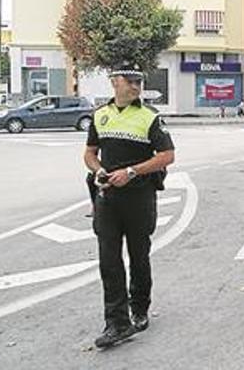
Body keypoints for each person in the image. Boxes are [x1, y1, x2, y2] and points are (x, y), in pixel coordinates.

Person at [84, 62, 175, 348]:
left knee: (139, 255)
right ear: (115, 82)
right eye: (130, 81)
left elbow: (167, 155)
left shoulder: (149, 117)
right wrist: (98, 169)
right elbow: (89, 153)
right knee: (108, 260)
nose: (136, 87)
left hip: (138, 196)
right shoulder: (100, 116)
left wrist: (132, 172)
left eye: (139, 82)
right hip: (107, 197)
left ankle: (139, 309)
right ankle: (116, 322)